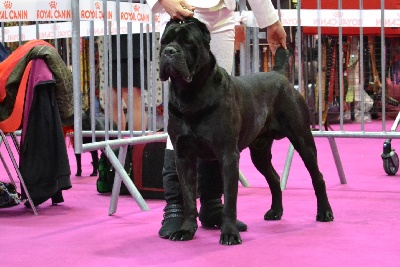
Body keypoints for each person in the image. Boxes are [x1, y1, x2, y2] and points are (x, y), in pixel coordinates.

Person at [147, 0, 287, 238]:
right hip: (178, 8)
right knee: (181, 124)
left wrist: (270, 20)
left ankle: (212, 204)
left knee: (219, 121)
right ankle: (176, 207)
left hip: (221, 15)